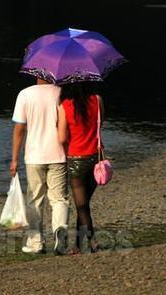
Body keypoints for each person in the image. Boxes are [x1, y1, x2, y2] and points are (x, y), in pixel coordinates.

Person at [10, 77, 69, 255]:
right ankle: (60, 231)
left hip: (34, 155)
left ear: (36, 73)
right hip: (58, 154)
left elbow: (20, 129)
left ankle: (36, 243)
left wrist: (14, 159)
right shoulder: (62, 93)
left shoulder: (25, 94)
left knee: (35, 199)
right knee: (59, 198)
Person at [57, 81, 104, 254]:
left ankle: (92, 241)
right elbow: (100, 124)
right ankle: (78, 245)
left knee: (81, 205)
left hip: (76, 158)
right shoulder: (98, 100)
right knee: (83, 205)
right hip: (96, 158)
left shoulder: (65, 105)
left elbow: (62, 138)